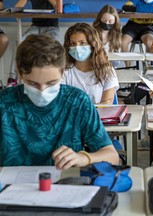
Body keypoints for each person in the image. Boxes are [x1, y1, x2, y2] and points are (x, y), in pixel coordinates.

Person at [0, 34, 119, 168]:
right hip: (12, 186)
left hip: (64, 183)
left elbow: (112, 156)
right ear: (19, 73)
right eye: (32, 83)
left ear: (63, 73)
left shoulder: (77, 101)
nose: (42, 91)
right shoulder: (4, 103)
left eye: (51, 83)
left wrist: (83, 157)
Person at [62, 23, 119, 104]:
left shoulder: (107, 70)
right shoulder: (64, 71)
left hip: (99, 115)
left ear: (93, 44)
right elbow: (62, 102)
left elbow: (107, 103)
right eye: (73, 44)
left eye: (82, 43)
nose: (77, 47)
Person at [7, 0, 60, 87]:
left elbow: (59, 8)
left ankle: (53, 78)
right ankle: (12, 78)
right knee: (20, 42)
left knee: (52, 47)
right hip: (35, 26)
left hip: (51, 27)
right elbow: (16, 8)